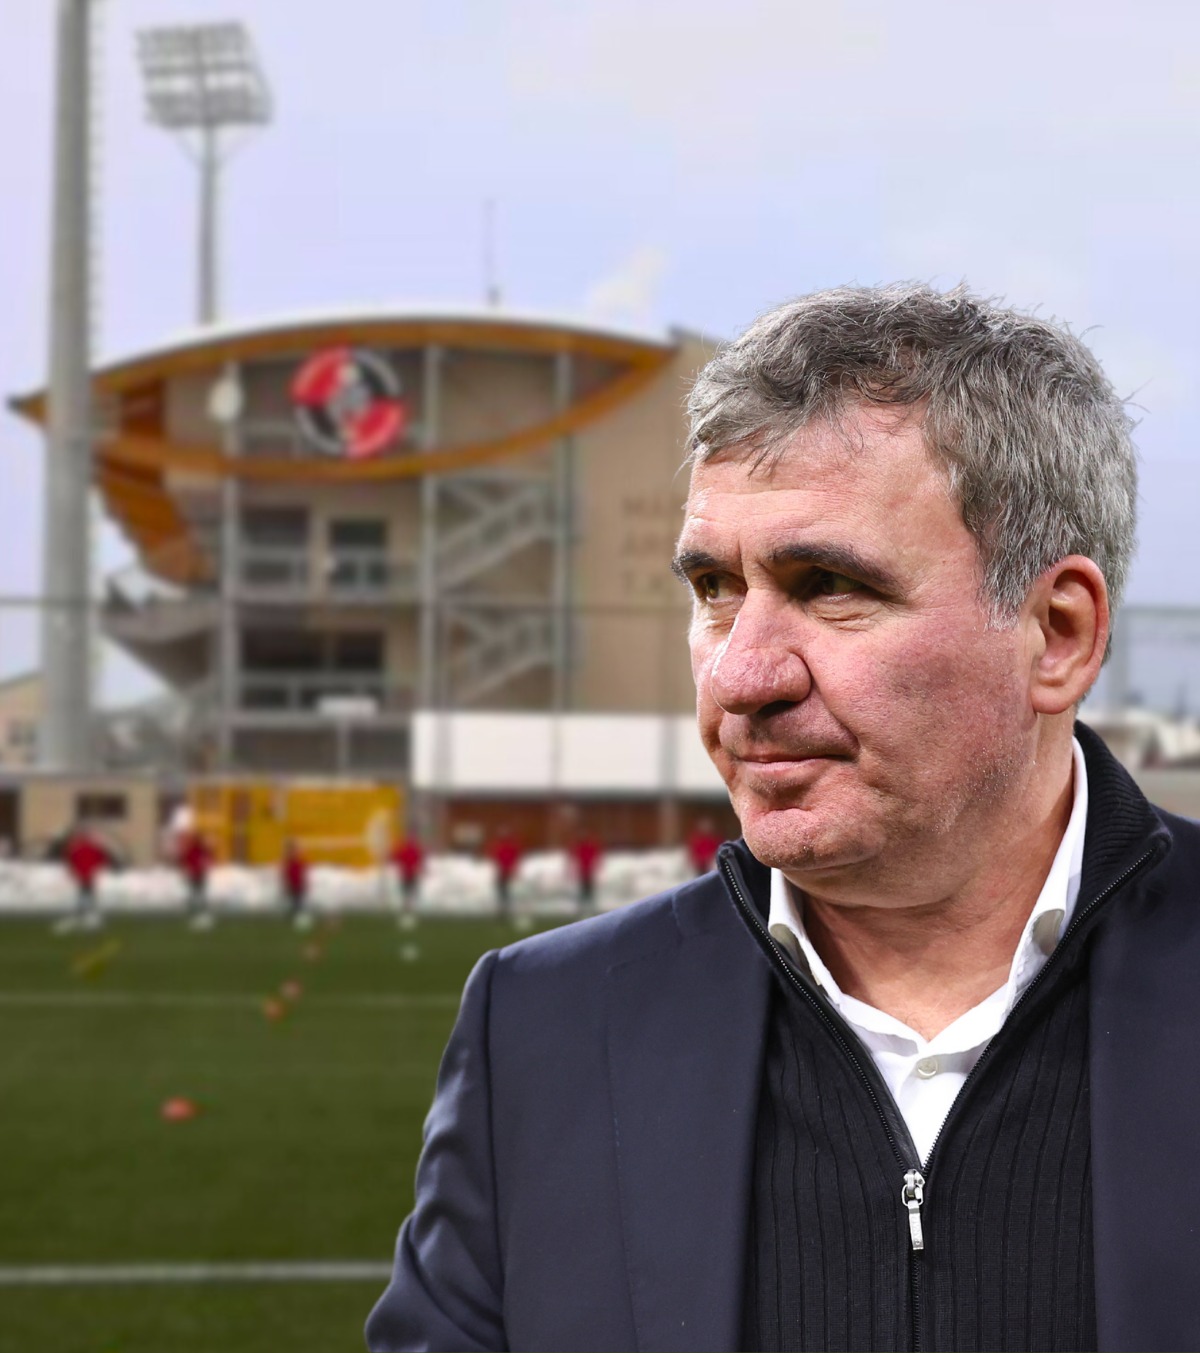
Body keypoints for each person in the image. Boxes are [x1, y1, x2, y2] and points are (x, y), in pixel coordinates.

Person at [366, 285, 1200, 1352]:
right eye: (715, 587)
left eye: (829, 585)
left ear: (1057, 633)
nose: (742, 674)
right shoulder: (545, 1029)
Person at [61, 823, 109, 932]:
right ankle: (88, 913)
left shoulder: (76, 847)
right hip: (87, 874)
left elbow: (70, 859)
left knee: (85, 892)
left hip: (83, 874)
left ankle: (84, 913)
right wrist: (97, 868)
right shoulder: (91, 847)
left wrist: (72, 870)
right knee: (88, 892)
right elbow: (102, 858)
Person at [178, 830, 214, 929]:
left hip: (199, 874)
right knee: (196, 894)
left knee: (198, 894)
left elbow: (208, 859)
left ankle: (200, 913)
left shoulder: (200, 850)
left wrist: (206, 865)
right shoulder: (195, 850)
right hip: (195, 875)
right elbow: (185, 861)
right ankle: (195, 913)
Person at [487, 828, 521, 918]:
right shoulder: (502, 847)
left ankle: (505, 910)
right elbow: (497, 858)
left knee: (504, 891)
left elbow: (513, 859)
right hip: (502, 871)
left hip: (505, 871)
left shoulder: (508, 847)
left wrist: (512, 870)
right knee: (503, 891)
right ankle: (503, 910)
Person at [390, 834, 424, 919]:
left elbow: (396, 858)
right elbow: (419, 860)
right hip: (409, 874)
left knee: (407, 892)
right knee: (411, 891)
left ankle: (407, 908)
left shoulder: (405, 850)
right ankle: (409, 908)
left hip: (406, 874)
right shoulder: (413, 850)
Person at [568, 830, 603, 912]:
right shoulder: (579, 847)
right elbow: (573, 855)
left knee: (588, 888)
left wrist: (597, 866)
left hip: (589, 870)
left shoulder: (589, 847)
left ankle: (588, 905)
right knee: (584, 888)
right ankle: (583, 906)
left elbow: (596, 856)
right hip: (582, 870)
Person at [280, 839, 309, 927]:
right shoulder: (288, 862)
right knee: (295, 902)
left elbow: (302, 872)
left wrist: (304, 883)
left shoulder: (297, 862)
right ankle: (296, 918)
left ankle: (297, 918)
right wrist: (286, 884)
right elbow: (286, 874)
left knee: (298, 903)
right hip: (293, 884)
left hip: (298, 884)